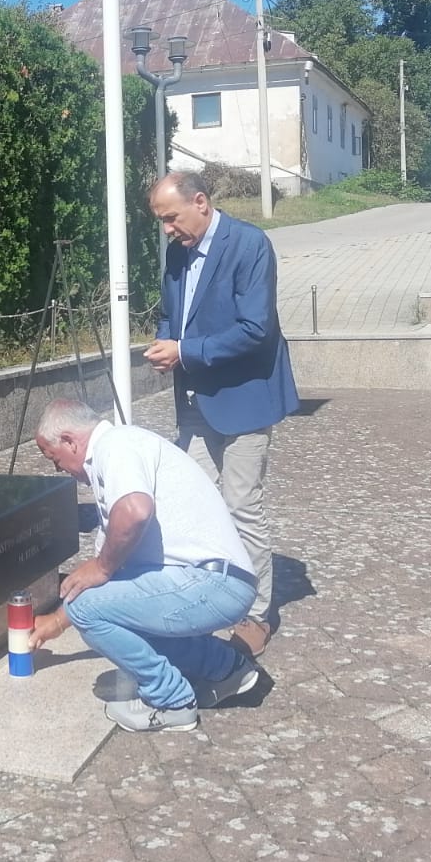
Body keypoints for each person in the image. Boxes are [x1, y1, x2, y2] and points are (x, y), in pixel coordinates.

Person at [26, 398, 262, 734]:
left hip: (211, 583)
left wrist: (101, 567)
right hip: (223, 580)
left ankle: (171, 702)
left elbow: (135, 512)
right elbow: (106, 585)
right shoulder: (121, 453)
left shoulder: (116, 446)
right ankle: (227, 669)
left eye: (54, 459)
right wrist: (57, 622)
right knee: (106, 609)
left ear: (69, 441)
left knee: (87, 609)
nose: (58, 470)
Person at [142, 170, 299, 657]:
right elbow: (171, 313)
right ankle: (199, 595)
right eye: (161, 221)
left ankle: (257, 615)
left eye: (172, 218)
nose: (167, 229)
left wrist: (185, 352)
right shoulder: (177, 252)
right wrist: (165, 343)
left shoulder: (249, 245)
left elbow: (256, 329)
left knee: (240, 505)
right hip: (195, 400)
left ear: (201, 202)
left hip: (245, 398)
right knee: (187, 500)